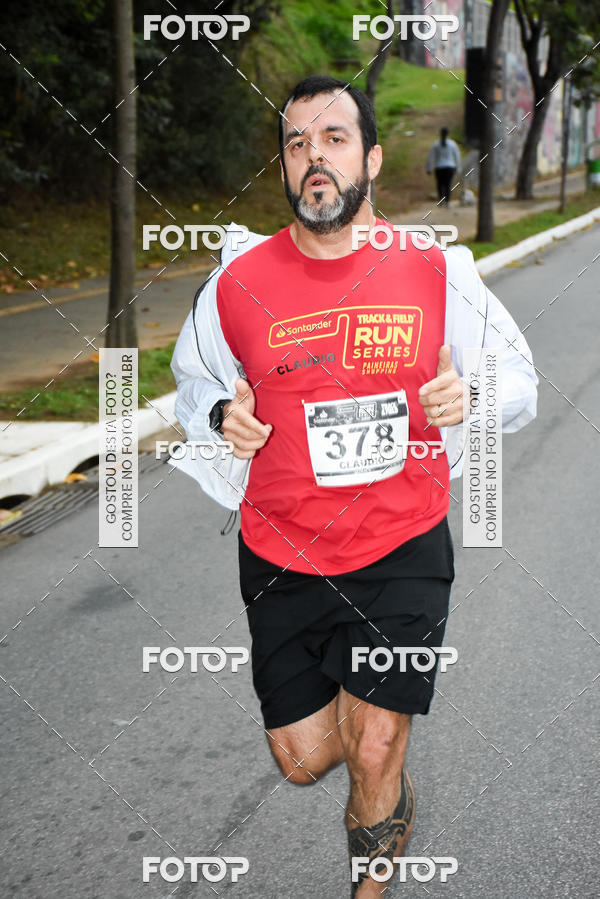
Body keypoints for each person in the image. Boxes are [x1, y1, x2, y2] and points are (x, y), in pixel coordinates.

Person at [170, 75, 537, 897]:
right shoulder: (236, 282)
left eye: (334, 139)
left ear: (369, 158)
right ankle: (374, 709)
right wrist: (221, 410)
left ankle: (374, 837)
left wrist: (471, 397)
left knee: (374, 743)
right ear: (285, 169)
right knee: (304, 759)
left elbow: (520, 384)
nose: (314, 158)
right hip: (282, 550)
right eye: (297, 143)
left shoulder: (436, 269)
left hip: (402, 541)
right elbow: (191, 386)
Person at [426, 127, 461, 206]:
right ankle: (447, 201)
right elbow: (457, 156)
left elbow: (431, 157)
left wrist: (428, 168)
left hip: (439, 167)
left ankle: (441, 200)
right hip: (450, 167)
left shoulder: (436, 144)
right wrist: (458, 167)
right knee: (448, 184)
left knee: (440, 184)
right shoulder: (452, 144)